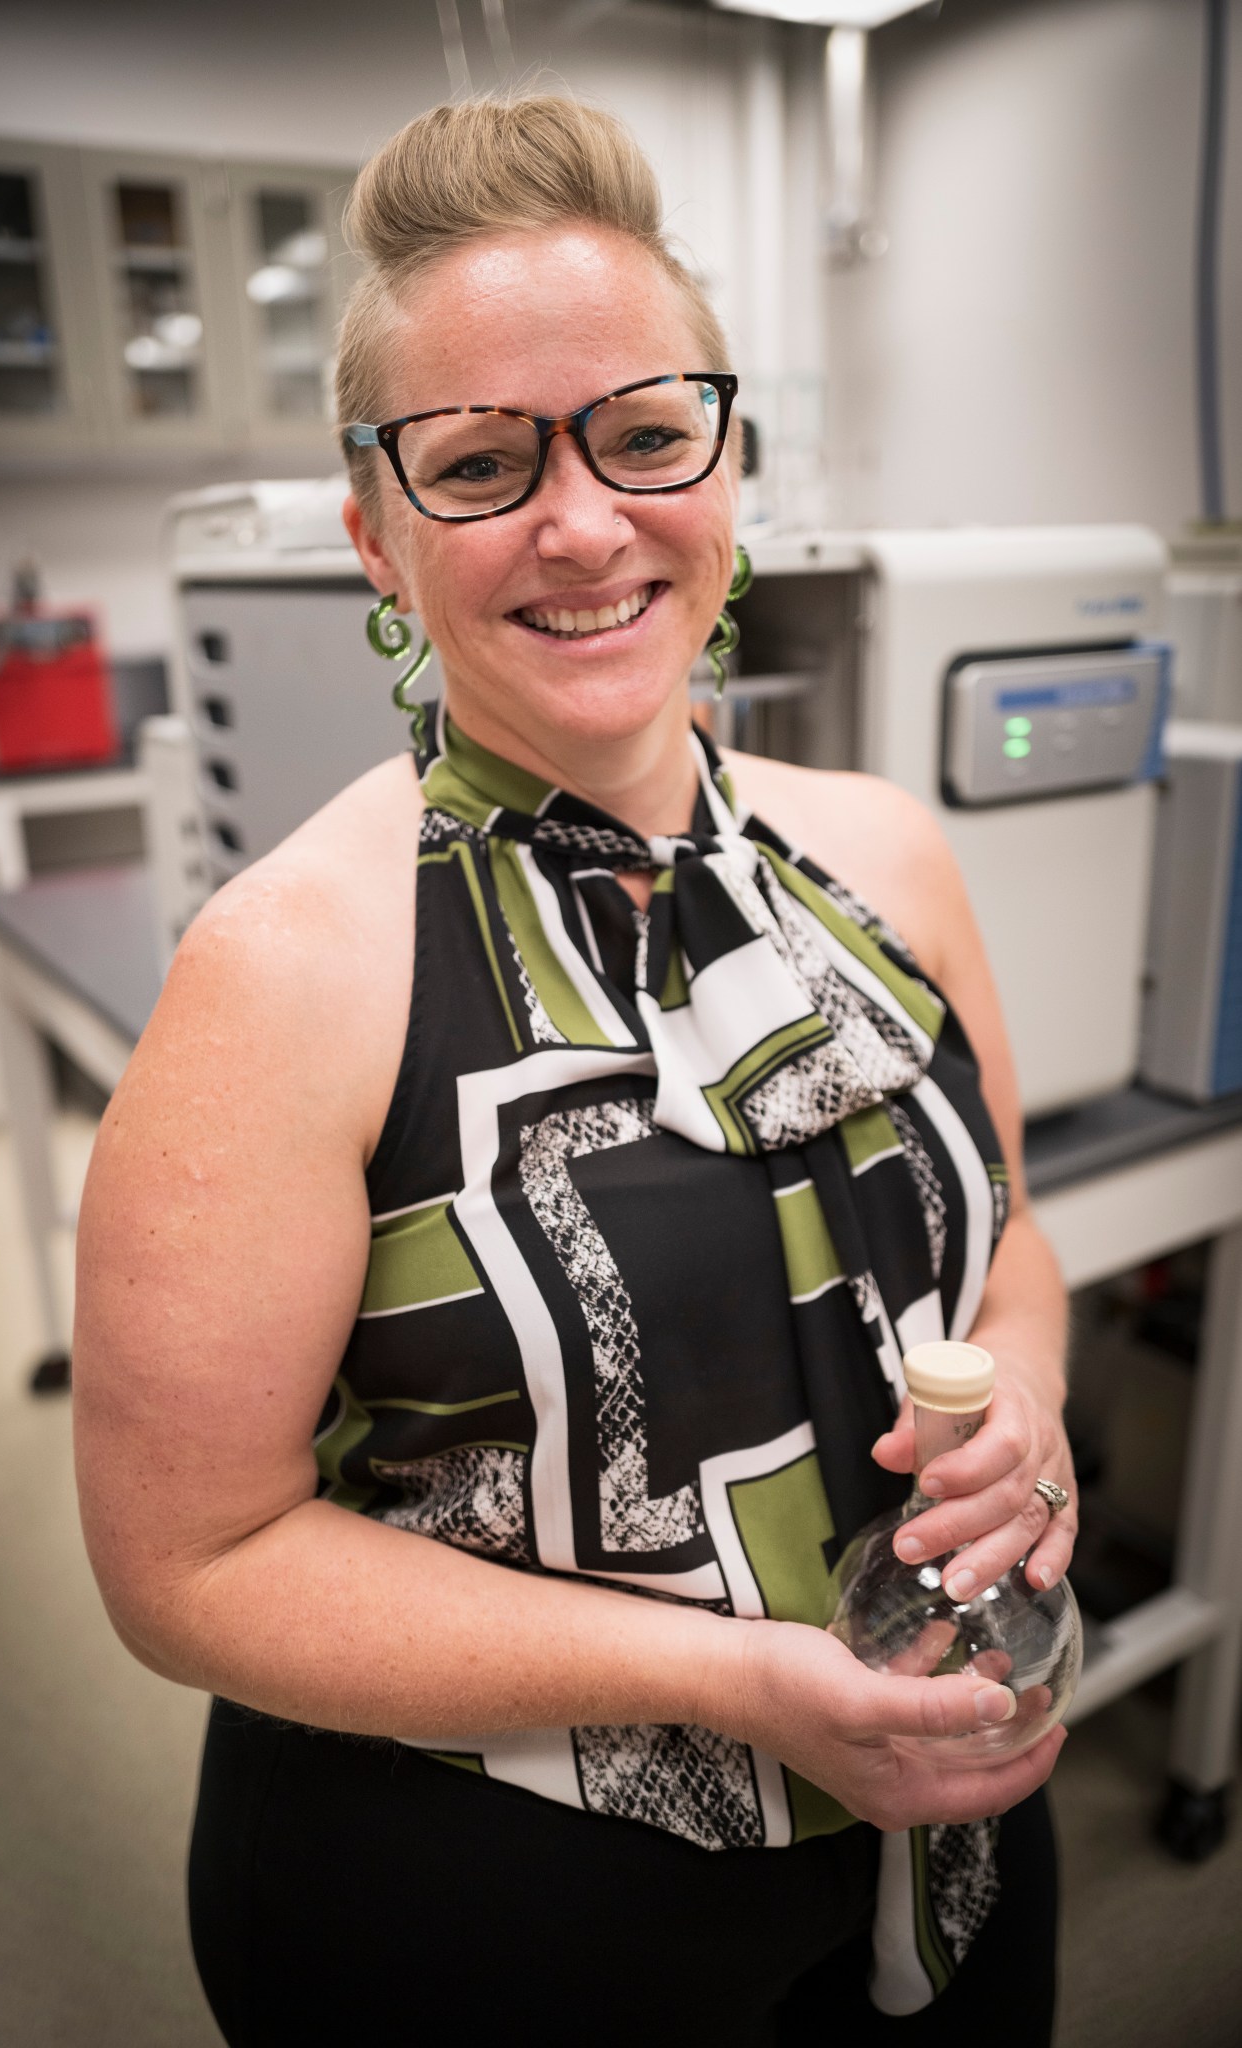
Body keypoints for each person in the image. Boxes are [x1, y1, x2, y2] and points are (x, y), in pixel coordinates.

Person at [73, 95, 1076, 2047]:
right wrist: (748, 1688)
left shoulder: (887, 849)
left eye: (639, 434)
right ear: (375, 529)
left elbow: (1008, 1241)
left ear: (729, 463)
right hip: (499, 1904)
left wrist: (1023, 1385)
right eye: (480, 463)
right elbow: (186, 1562)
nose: (587, 522)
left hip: (941, 1839)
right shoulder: (290, 971)